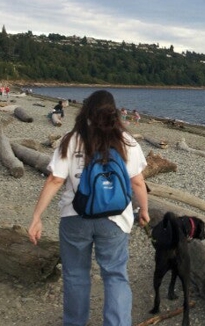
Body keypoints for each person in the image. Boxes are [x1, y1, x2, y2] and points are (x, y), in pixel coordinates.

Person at [28, 90, 150, 326]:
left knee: (75, 276)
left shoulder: (71, 139)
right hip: (115, 220)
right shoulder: (127, 142)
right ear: (114, 113)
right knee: (115, 275)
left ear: (86, 111)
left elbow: (55, 179)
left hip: (75, 216)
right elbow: (137, 181)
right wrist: (143, 210)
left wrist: (37, 216)